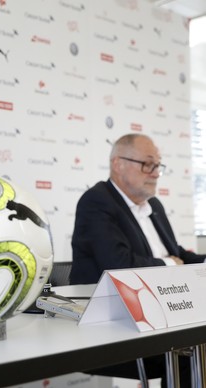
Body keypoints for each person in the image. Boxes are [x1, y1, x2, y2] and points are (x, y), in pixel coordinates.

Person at [70, 133, 205, 387]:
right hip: (113, 328)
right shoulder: (96, 202)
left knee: (195, 345)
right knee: (190, 351)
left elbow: (178, 253)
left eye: (158, 166)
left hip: (163, 318)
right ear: (118, 164)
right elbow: (120, 266)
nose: (155, 173)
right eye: (148, 164)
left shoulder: (154, 205)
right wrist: (171, 264)